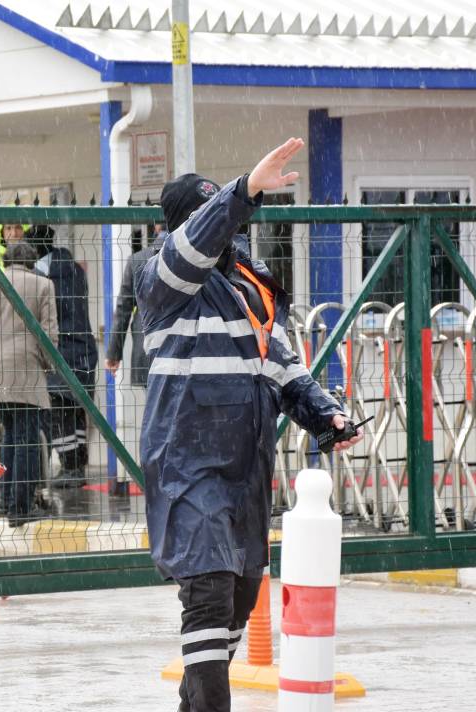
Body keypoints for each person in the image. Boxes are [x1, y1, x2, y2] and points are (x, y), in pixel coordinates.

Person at [136, 139, 364, 712]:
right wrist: (244, 191)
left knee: (236, 602)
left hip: (245, 467)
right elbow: (192, 244)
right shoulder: (164, 280)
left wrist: (325, 414)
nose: (225, 234)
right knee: (209, 594)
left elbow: (284, 366)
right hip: (187, 463)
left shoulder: (248, 290)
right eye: (209, 221)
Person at [0, 241, 58, 527]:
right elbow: (49, 332)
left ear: (5, 260)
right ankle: (20, 508)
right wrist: (48, 364)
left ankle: (7, 501)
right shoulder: (43, 285)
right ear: (32, 261)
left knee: (8, 436)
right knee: (28, 439)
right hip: (26, 366)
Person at [24, 225, 98, 490]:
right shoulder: (74, 269)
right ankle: (78, 464)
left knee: (59, 410)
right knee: (76, 409)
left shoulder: (42, 276)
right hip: (83, 347)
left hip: (59, 348)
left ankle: (69, 467)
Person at [105, 224, 167, 388]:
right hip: (184, 349)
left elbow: (123, 309)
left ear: (156, 226)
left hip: (148, 347)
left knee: (154, 409)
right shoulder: (190, 256)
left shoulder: (137, 260)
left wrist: (113, 353)